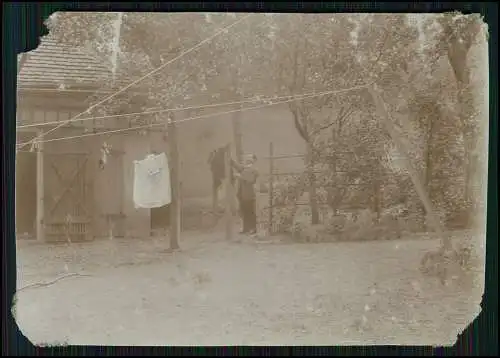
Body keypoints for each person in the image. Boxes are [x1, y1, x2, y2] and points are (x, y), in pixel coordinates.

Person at [231, 154, 259, 236]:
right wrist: (231, 161)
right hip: (243, 195)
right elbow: (238, 167)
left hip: (250, 194)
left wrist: (239, 176)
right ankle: (246, 228)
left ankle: (253, 229)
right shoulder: (245, 168)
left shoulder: (254, 170)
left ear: (252, 161)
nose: (247, 161)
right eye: (246, 160)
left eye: (249, 160)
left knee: (250, 212)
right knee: (244, 212)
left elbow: (250, 179)